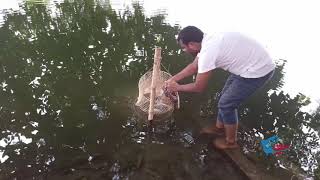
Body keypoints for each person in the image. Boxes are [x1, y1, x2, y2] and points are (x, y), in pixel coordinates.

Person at [165, 26, 275, 149]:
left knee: (227, 103)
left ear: (192, 44)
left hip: (258, 70)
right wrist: (173, 79)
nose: (184, 50)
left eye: (184, 47)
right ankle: (219, 128)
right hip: (248, 64)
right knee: (224, 96)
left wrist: (177, 88)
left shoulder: (208, 52)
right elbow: (194, 67)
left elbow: (198, 87)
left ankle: (231, 142)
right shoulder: (207, 40)